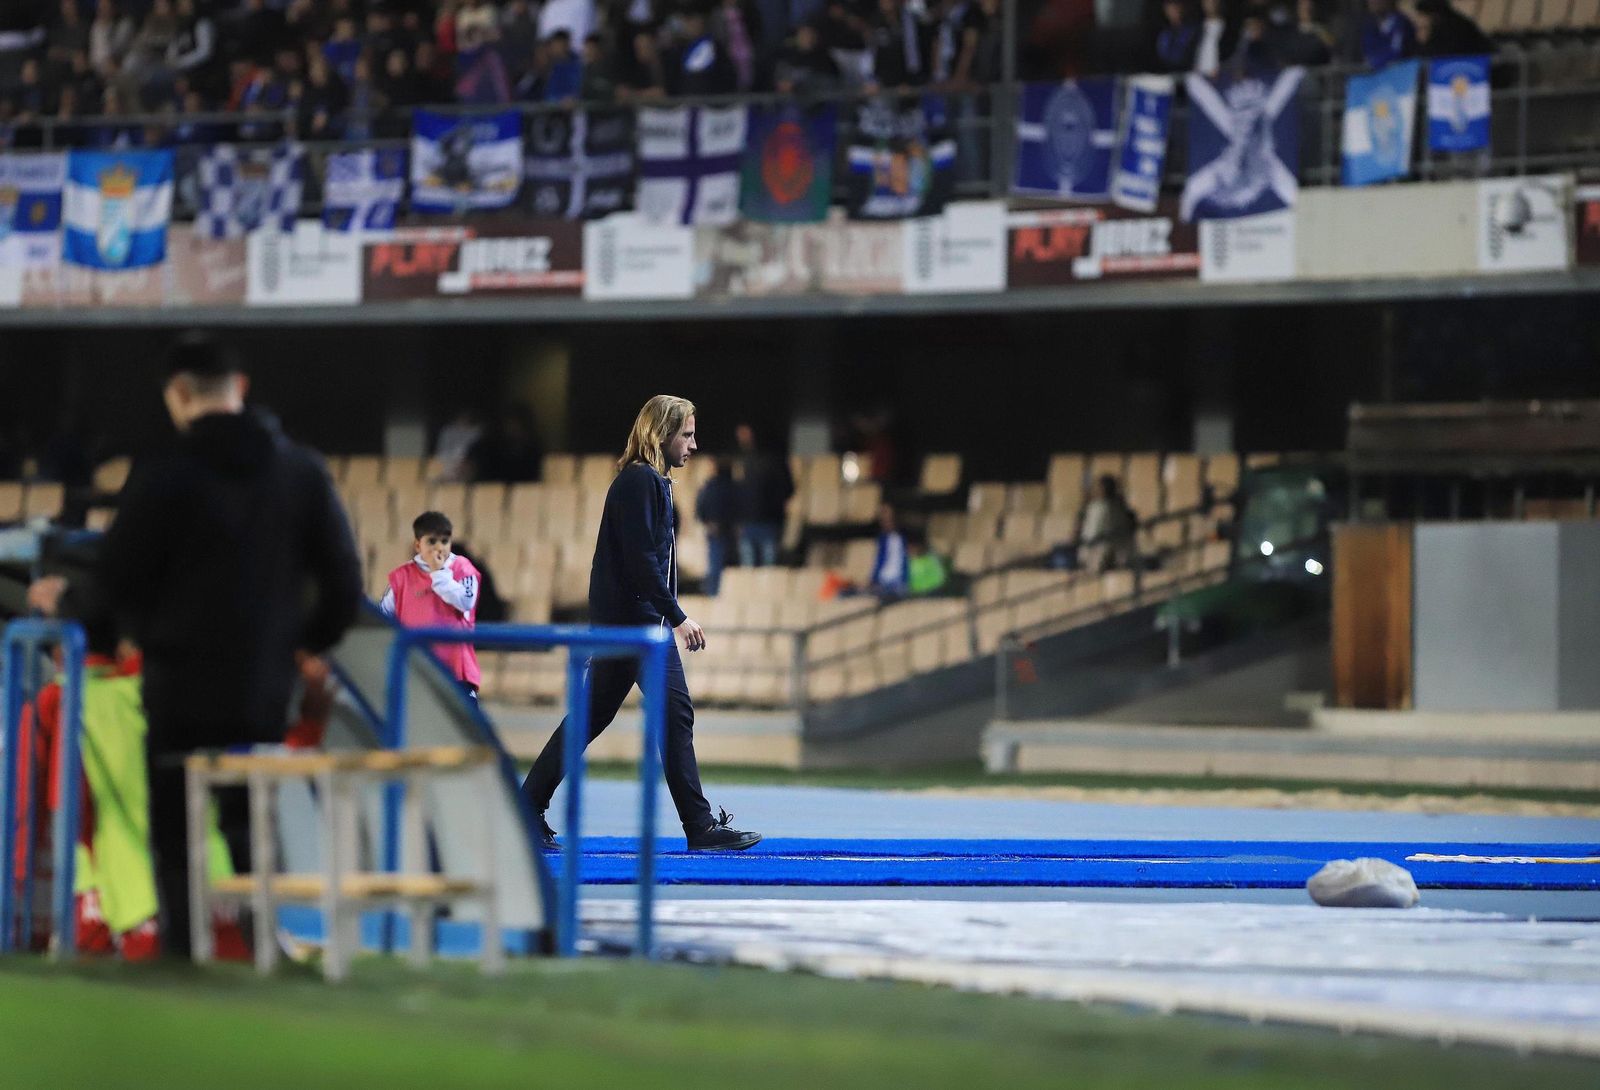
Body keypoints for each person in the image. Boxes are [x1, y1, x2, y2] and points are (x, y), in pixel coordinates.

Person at [97, 335, 363, 958]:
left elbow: (116, 576)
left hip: (177, 683)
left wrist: (128, 631)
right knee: (248, 816)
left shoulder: (163, 470)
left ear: (179, 394)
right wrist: (303, 645)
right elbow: (344, 582)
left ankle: (184, 950)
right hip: (261, 686)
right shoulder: (300, 470)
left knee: (175, 821)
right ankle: (259, 939)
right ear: (240, 389)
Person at [520, 395, 761, 854]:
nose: (693, 443)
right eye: (686, 434)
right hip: (635, 628)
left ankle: (528, 806)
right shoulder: (639, 482)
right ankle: (700, 827)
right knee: (672, 715)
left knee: (599, 718)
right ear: (661, 434)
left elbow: (638, 562)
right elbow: (640, 560)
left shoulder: (652, 483)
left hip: (632, 624)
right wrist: (677, 616)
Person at [379, 511, 482, 700]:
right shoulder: (401, 577)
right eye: (432, 542)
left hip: (457, 670)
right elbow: (383, 616)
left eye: (444, 541)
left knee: (460, 727)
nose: (439, 548)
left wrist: (439, 573)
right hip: (415, 669)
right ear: (418, 545)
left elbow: (466, 602)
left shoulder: (464, 569)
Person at [733, 423, 793, 568]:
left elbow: (786, 489)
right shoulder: (746, 461)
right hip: (755, 522)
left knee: (760, 568)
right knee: (759, 568)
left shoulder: (764, 461)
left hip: (764, 522)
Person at [695, 454, 739, 596]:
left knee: (720, 565)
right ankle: (714, 594)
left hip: (724, 531)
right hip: (723, 531)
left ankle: (716, 594)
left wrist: (708, 522)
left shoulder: (711, 487)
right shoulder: (730, 487)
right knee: (718, 565)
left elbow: (700, 508)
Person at [1078, 474, 1138, 573]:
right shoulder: (1093, 506)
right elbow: (1088, 533)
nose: (1096, 490)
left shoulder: (1117, 508)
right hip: (1092, 548)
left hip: (1109, 550)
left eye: (1099, 487)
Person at [1358, 0, 1415, 68]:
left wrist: (1373, 64)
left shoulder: (1402, 24)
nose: (1373, 1)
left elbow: (1396, 54)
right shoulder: (1368, 25)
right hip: (1369, 75)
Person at [869, 503, 908, 600]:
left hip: (900, 583)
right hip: (883, 581)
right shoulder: (882, 539)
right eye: (883, 519)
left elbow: (906, 561)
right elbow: (879, 560)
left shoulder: (904, 537)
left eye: (889, 518)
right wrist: (874, 580)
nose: (886, 521)